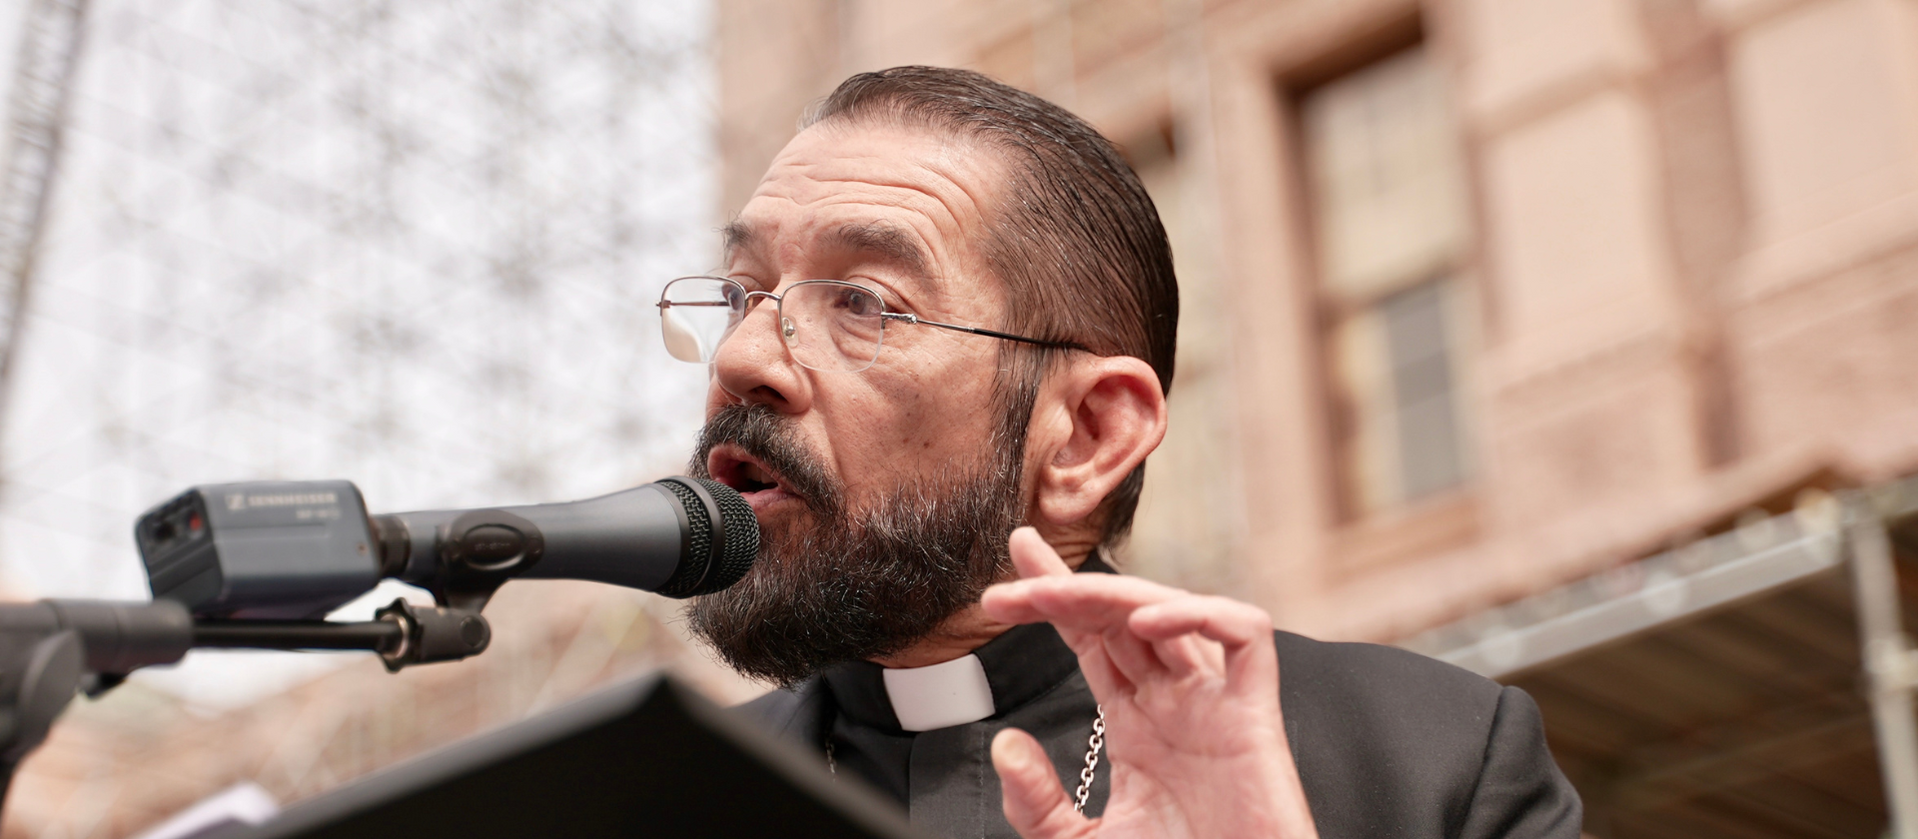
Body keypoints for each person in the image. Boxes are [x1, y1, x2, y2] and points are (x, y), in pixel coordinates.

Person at [657, 66, 1581, 839]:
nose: (741, 359)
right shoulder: (644, 804)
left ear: (1089, 435)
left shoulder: (1436, 760)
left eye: (863, 302)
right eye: (741, 296)